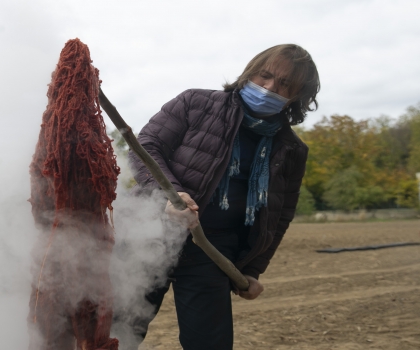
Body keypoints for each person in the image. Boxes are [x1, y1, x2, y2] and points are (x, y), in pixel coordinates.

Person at [128, 44, 320, 349]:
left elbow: (279, 216)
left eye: (284, 84)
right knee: (115, 332)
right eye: (265, 75)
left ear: (297, 95)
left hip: (213, 251)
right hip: (148, 234)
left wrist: (251, 270)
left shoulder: (293, 149)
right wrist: (171, 194)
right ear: (250, 72)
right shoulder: (196, 102)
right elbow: (146, 146)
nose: (269, 87)